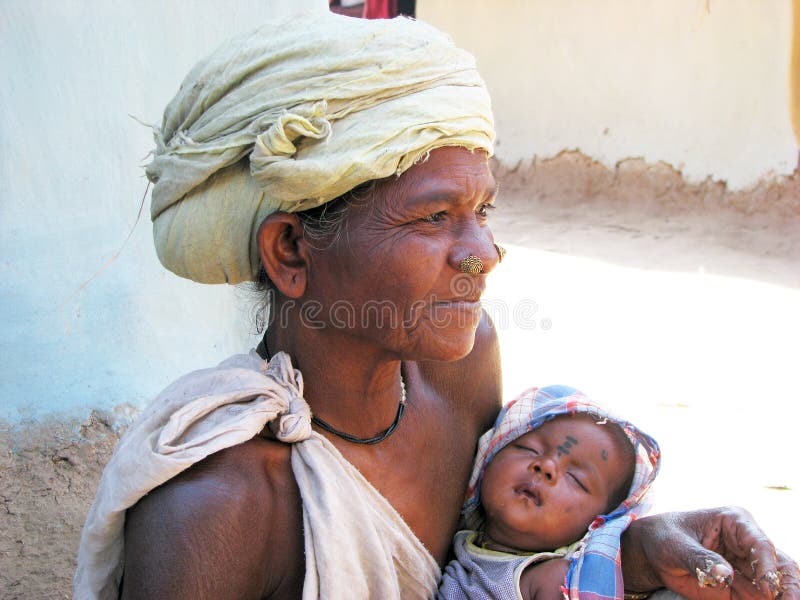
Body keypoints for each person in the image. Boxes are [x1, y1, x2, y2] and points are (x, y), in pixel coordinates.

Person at [74, 10, 798, 600]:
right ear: (292, 250)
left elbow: (489, 561)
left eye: (484, 208)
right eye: (433, 218)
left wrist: (639, 553)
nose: (485, 251)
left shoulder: (458, 367)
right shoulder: (220, 506)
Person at [437, 385, 660, 600]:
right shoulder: (455, 538)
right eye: (529, 449)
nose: (545, 466)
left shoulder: (553, 580)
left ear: (597, 525)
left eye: (576, 479)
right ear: (490, 454)